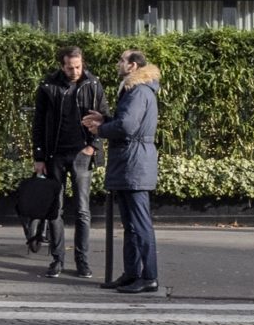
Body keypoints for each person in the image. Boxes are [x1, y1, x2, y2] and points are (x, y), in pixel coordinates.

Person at [28, 43, 105, 279]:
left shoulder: (93, 84)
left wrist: (94, 146)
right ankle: (58, 259)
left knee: (82, 210)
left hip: (82, 153)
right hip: (55, 155)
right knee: (55, 210)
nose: (75, 71)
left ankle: (82, 261)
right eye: (70, 68)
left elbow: (103, 116)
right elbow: (38, 123)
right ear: (62, 65)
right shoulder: (48, 86)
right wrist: (39, 157)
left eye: (78, 67)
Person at [93, 49, 162, 295]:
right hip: (131, 163)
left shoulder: (138, 91)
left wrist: (100, 130)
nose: (118, 63)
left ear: (133, 66)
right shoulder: (137, 90)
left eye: (122, 60)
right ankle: (133, 273)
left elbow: (128, 126)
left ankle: (149, 276)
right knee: (131, 225)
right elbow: (125, 122)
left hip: (133, 163)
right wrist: (105, 120)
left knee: (140, 224)